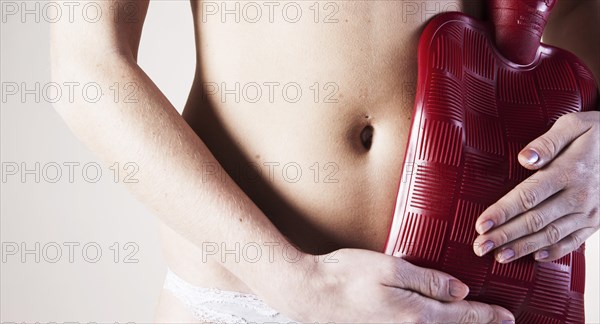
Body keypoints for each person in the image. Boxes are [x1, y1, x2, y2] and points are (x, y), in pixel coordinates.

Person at [50, 0, 599, 322]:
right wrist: (296, 282)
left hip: (480, 299)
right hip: (256, 293)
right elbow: (87, 66)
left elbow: (577, 10)